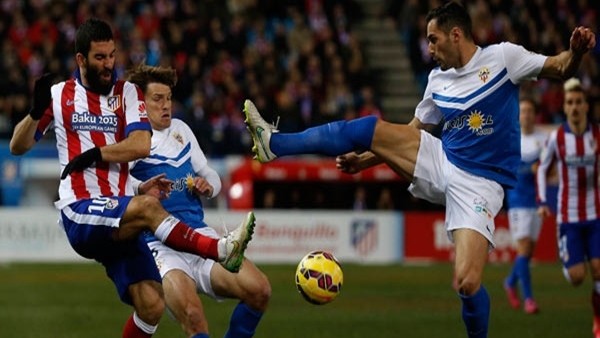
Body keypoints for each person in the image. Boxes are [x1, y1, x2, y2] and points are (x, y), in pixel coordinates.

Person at [242, 2, 595, 337]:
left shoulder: (504, 58)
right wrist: (366, 160)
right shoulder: (437, 81)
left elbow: (561, 67)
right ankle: (275, 144)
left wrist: (576, 51)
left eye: (433, 39)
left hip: (481, 186)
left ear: (456, 34)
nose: (429, 47)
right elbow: (414, 131)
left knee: (467, 284)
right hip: (442, 160)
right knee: (368, 128)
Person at [9, 18, 255, 338]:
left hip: (118, 209)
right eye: (100, 57)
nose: (109, 64)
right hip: (81, 207)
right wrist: (33, 114)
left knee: (152, 304)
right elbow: (18, 146)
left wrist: (100, 156)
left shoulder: (127, 93)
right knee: (148, 209)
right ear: (81, 59)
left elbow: (140, 144)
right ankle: (221, 250)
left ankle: (215, 250)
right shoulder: (59, 95)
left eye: (112, 55)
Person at [127, 64, 271, 338]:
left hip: (200, 237)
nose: (166, 105)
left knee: (259, 290)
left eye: (168, 98)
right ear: (141, 104)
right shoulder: (134, 138)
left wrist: (208, 186)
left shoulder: (181, 129)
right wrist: (142, 187)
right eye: (157, 99)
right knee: (193, 317)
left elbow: (211, 176)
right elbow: (119, 184)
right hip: (160, 246)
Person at [536, 78, 600, 337]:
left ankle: (598, 322)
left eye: (578, 102)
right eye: (570, 103)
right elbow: (541, 169)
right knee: (576, 277)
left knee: (598, 271)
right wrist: (542, 201)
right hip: (568, 216)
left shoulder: (597, 136)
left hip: (595, 214)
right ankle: (569, 259)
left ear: (586, 106)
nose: (574, 107)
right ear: (565, 108)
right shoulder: (557, 137)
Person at [502, 98, 548, 314]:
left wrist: (543, 171)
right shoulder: (511, 138)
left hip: (536, 202)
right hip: (517, 202)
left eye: (530, 111)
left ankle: (510, 282)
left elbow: (552, 170)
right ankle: (529, 299)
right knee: (523, 249)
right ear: (518, 115)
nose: (526, 115)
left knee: (528, 252)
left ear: (534, 115)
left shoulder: (543, 139)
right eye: (523, 111)